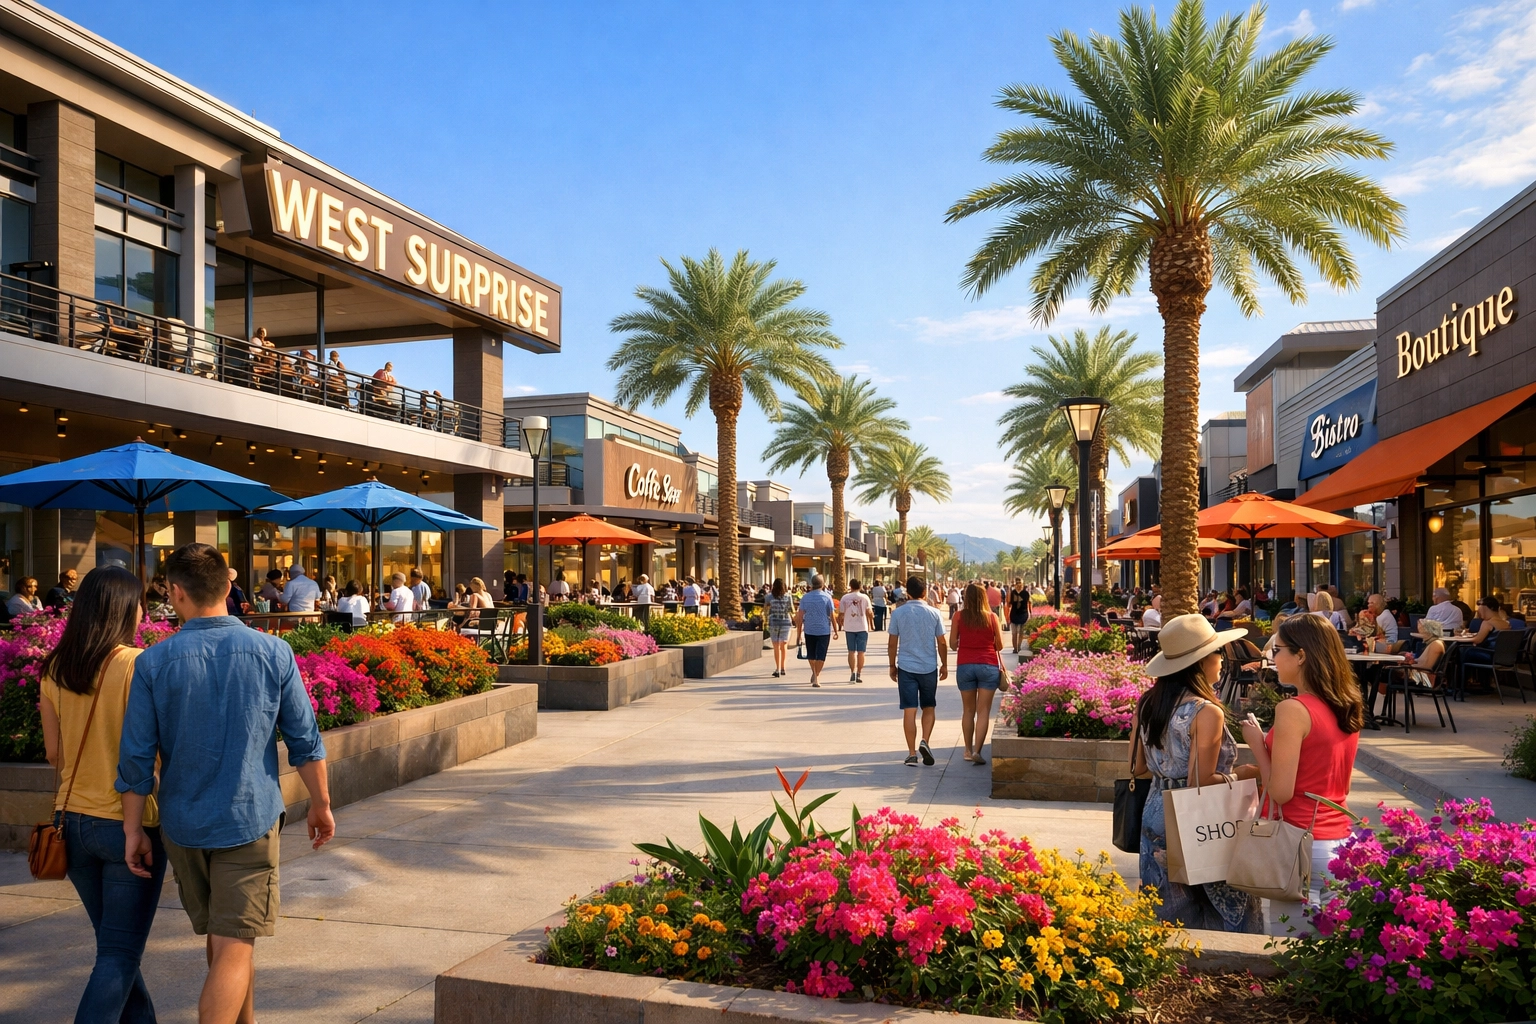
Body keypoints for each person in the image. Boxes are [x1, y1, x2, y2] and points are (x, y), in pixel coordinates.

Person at [117, 544, 333, 1024]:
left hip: (183, 823)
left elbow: (134, 758)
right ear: (229, 586)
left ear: (175, 592)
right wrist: (320, 803)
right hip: (248, 818)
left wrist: (133, 830)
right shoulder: (273, 651)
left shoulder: (152, 663)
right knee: (236, 943)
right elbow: (305, 740)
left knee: (227, 936)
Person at [39, 566, 167, 1022]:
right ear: (123, 609)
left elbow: (53, 753)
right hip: (128, 822)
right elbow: (158, 750)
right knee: (117, 955)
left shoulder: (55, 667)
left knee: (116, 950)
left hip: (70, 824)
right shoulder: (138, 664)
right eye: (139, 604)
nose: (142, 612)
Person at [1131, 613, 1262, 933]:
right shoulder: (1206, 711)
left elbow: (1138, 767)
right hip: (1203, 820)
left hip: (1155, 813)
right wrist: (1246, 773)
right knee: (1225, 914)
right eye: (1217, 652)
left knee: (1166, 920)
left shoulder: (1147, 703)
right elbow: (1200, 783)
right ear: (1201, 662)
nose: (1222, 659)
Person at [1241, 614, 1363, 935]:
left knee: (1292, 959)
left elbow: (1281, 791)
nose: (1272, 658)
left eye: (1277, 649)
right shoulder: (1345, 705)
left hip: (1298, 845)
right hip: (1339, 842)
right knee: (1334, 956)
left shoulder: (1294, 710)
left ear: (1301, 655)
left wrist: (1257, 745)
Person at [888, 576, 947, 766]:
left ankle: (912, 753)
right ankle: (925, 741)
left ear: (908, 592)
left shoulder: (898, 613)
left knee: (909, 710)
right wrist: (944, 664)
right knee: (929, 707)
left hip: (906, 667)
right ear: (924, 592)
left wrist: (892, 665)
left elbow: (892, 642)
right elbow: (942, 642)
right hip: (929, 667)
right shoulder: (934, 613)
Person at [950, 582, 1003, 765]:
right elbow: (1000, 645)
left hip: (965, 665)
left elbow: (952, 644)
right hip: (988, 665)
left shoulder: (958, 616)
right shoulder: (992, 617)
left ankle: (967, 750)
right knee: (983, 711)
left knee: (968, 710)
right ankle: (978, 751)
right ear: (984, 597)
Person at [792, 574, 837, 688]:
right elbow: (832, 616)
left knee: (811, 655)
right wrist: (836, 631)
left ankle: (815, 674)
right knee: (821, 656)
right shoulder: (827, 597)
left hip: (809, 630)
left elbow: (800, 617)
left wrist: (798, 634)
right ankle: (816, 675)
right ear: (823, 584)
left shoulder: (805, 598)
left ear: (811, 584)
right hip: (823, 631)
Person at [838, 579, 873, 683]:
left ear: (850, 586)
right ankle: (859, 673)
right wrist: (871, 621)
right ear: (860, 586)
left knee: (851, 651)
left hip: (849, 627)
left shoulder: (845, 598)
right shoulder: (865, 597)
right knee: (861, 652)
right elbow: (869, 612)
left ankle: (852, 672)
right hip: (862, 627)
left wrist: (840, 623)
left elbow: (841, 614)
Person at [766, 578, 795, 678]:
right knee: (784, 646)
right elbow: (791, 610)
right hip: (786, 622)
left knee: (776, 646)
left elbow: (766, 609)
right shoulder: (788, 597)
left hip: (773, 622)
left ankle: (777, 668)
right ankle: (783, 668)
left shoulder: (769, 597)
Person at [1007, 578, 1031, 654]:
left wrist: (1030, 612)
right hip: (1014, 614)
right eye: (1017, 583)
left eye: (1020, 583)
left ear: (1022, 584)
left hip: (1023, 614)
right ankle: (1015, 648)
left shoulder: (1026, 593)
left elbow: (1028, 603)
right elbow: (1009, 604)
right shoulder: (1012, 593)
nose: (1018, 584)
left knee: (1021, 632)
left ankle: (1019, 646)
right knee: (1014, 633)